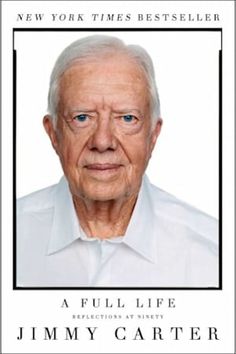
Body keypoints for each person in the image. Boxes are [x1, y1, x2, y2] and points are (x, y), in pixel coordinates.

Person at [17, 35, 218, 287]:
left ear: (153, 135)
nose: (102, 142)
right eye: (81, 117)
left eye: (127, 118)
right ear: (53, 133)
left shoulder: (214, 254)